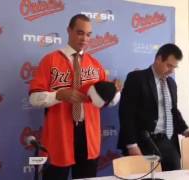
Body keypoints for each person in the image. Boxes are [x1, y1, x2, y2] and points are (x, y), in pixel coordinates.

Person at [29, 14, 120, 180]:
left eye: (88, 34)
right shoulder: (50, 61)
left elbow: (106, 101)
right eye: (80, 32)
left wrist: (115, 93)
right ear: (68, 31)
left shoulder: (96, 64)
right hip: (59, 137)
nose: (84, 38)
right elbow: (33, 98)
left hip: (88, 136)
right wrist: (59, 95)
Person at [117, 43, 189, 171]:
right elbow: (126, 114)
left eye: (174, 67)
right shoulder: (137, 78)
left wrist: (184, 129)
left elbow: (173, 110)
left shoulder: (171, 83)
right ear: (158, 59)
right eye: (169, 65)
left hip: (168, 141)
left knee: (175, 176)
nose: (171, 71)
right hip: (143, 142)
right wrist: (132, 145)